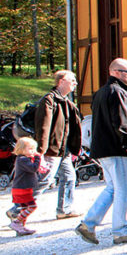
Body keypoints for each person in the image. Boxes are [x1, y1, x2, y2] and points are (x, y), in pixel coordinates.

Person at [77, 58, 127, 245]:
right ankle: (121, 230)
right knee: (123, 189)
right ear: (115, 72)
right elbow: (122, 123)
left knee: (113, 188)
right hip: (116, 148)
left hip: (102, 148)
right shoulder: (118, 92)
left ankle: (89, 224)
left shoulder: (101, 92)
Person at [33, 69, 82, 219]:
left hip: (64, 150)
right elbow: (44, 126)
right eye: (72, 80)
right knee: (45, 180)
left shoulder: (67, 102)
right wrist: (41, 151)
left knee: (69, 177)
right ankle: (18, 210)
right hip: (51, 149)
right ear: (61, 82)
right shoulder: (49, 100)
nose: (75, 83)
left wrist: (75, 148)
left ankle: (64, 209)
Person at [8, 137, 47, 235]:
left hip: (24, 188)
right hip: (21, 189)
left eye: (34, 149)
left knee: (25, 209)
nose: (33, 151)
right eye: (30, 149)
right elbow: (33, 168)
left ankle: (21, 227)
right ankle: (16, 222)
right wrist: (38, 158)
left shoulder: (25, 159)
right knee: (32, 206)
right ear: (21, 149)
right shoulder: (22, 159)